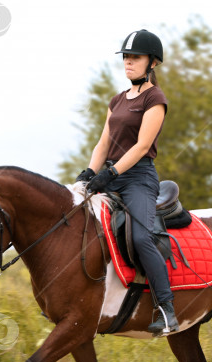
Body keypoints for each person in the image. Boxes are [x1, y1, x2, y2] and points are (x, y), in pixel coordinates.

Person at [76, 29, 179, 336]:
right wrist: (87, 175)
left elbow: (141, 147)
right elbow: (102, 144)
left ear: (152, 63)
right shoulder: (117, 101)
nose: (129, 62)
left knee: (140, 239)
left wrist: (110, 174)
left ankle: (167, 309)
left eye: (135, 57)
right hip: (110, 174)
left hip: (138, 179)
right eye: (126, 57)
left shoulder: (155, 99)